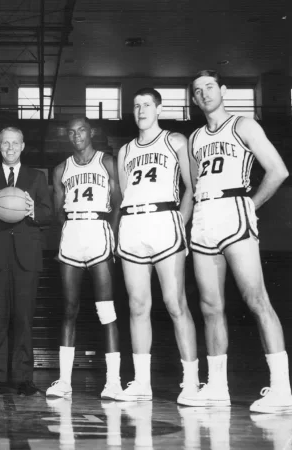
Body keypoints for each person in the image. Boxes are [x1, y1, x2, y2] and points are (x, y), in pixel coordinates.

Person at [179, 70, 292, 413]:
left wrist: (250, 205)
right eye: (198, 91)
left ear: (223, 90)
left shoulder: (243, 125)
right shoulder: (196, 137)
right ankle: (216, 387)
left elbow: (278, 170)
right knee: (210, 307)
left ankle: (282, 390)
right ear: (194, 100)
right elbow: (195, 186)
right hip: (204, 217)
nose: (204, 94)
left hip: (234, 210)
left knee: (256, 299)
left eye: (210, 87)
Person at [114, 88, 198, 403]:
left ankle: (191, 382)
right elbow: (123, 196)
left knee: (175, 304)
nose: (141, 110)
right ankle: (141, 383)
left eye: (147, 104)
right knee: (137, 306)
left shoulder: (175, 140)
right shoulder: (124, 151)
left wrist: (181, 222)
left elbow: (193, 186)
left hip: (165, 220)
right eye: (136, 106)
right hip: (133, 224)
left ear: (159, 108)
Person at [0, 127, 52, 396]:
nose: (10, 147)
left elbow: (49, 214)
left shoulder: (37, 178)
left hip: (27, 257)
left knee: (24, 319)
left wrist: (33, 211)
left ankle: (23, 378)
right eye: (5, 143)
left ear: (23, 146)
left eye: (15, 143)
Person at [45, 116, 123, 399]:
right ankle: (64, 382)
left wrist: (111, 236)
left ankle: (113, 382)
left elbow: (117, 203)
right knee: (69, 309)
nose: (76, 135)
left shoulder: (107, 162)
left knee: (106, 310)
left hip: (99, 230)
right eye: (71, 131)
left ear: (91, 132)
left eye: (81, 130)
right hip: (72, 234)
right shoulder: (60, 168)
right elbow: (57, 211)